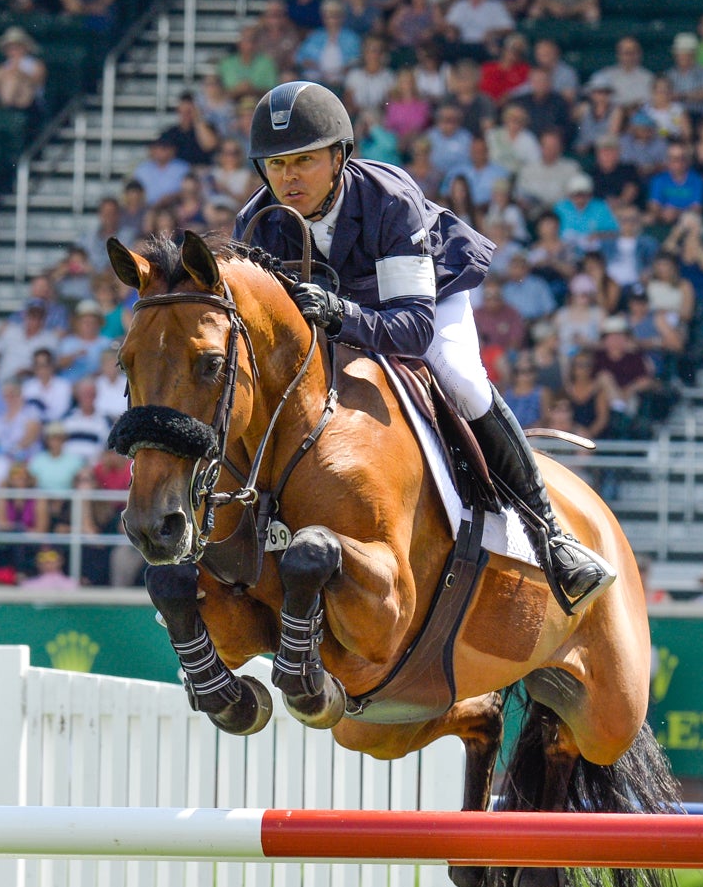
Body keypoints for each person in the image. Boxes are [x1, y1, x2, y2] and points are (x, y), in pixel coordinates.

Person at [234, 81, 613, 612]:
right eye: (276, 164)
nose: (288, 177)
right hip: (336, 314)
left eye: (304, 160)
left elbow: (412, 330)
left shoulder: (388, 201)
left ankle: (550, 535)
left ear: (339, 157)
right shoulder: (258, 225)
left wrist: (341, 314)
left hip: (425, 299)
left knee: (460, 377)